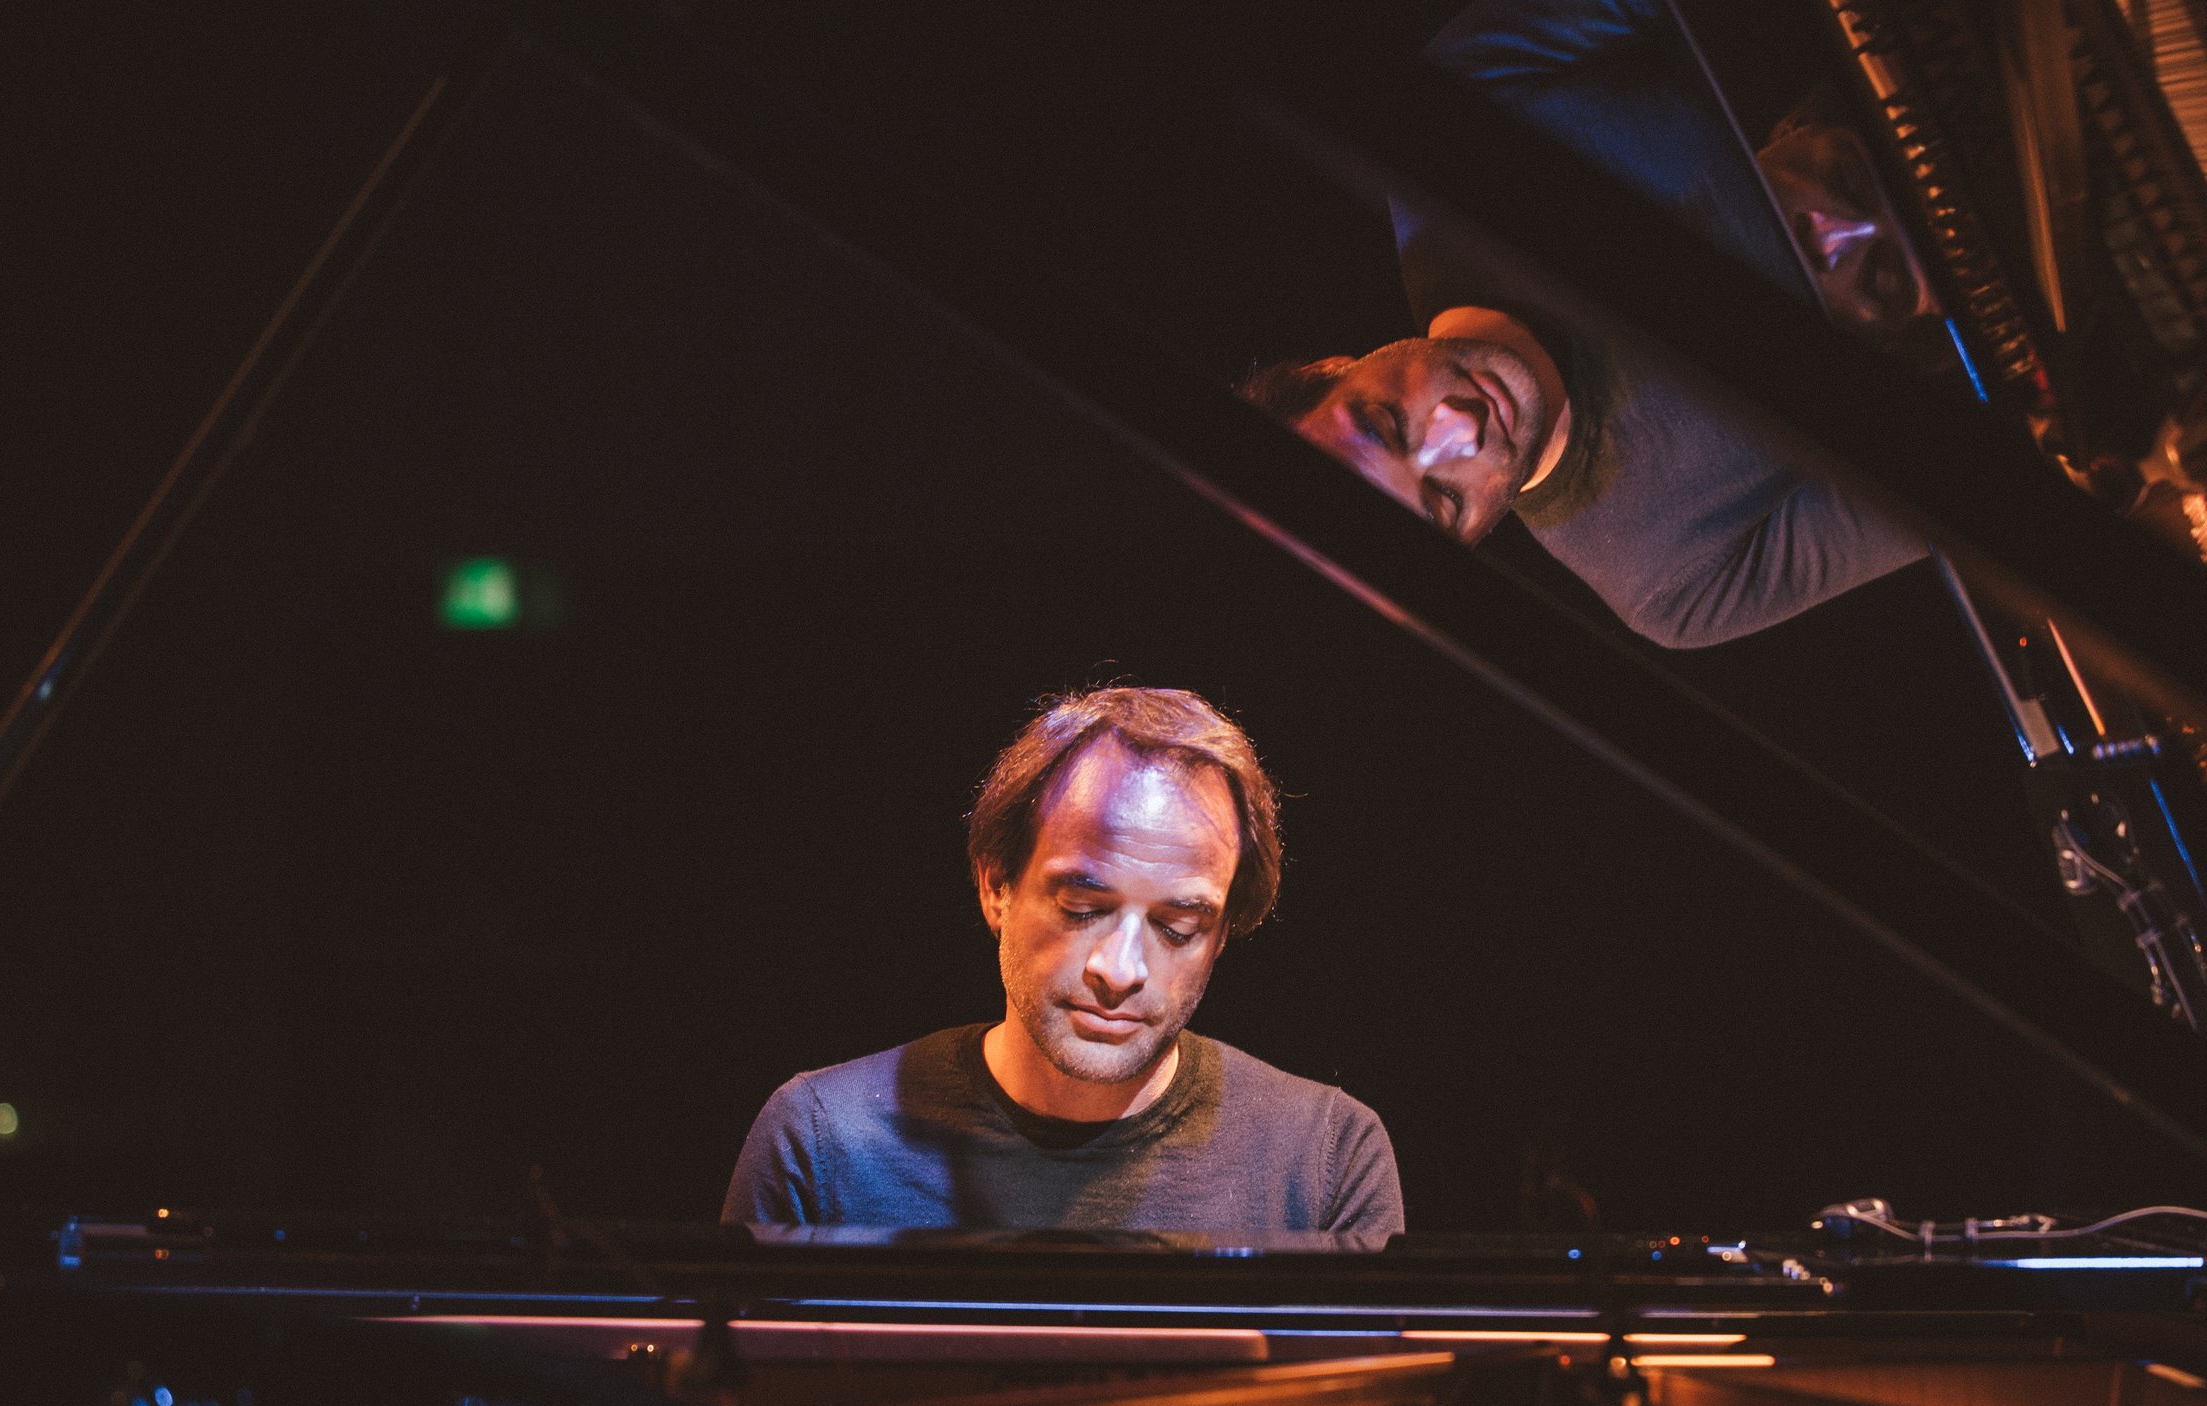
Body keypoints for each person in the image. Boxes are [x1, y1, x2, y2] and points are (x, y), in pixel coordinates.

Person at [1240, 0, 1938, 650]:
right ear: (1474, 540)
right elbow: (1968, 475)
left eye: (1391, 423)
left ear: (1335, 367)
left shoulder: (1451, 124)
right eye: (1444, 500)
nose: (1462, 428)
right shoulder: (1673, 586)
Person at [722, 687, 1404, 1234]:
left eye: (1177, 925)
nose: (1121, 968)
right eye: (1083, 909)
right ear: (996, 886)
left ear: (1222, 933)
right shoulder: (821, 1139)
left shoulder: (1327, 1158)